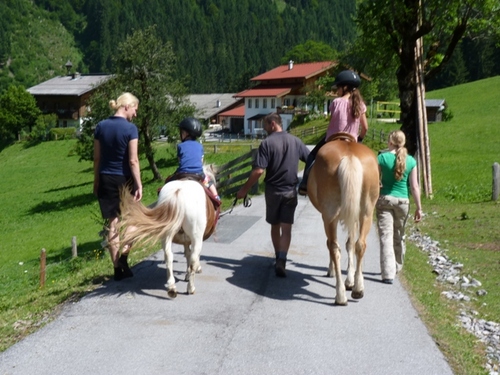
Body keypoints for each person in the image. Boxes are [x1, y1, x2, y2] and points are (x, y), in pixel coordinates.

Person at [236, 113, 310, 277]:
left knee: (275, 226)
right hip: (290, 190)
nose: (264, 129)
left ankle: (278, 257)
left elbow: (259, 170)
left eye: (265, 126)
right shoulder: (296, 141)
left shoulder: (267, 143)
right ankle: (282, 260)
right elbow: (311, 160)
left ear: (273, 124)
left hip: (273, 191)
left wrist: (244, 190)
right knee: (287, 228)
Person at [93, 92, 142, 281]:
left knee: (112, 224)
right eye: (135, 110)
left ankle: (116, 269)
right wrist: (138, 184)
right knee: (134, 221)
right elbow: (133, 160)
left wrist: (96, 181)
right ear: (127, 106)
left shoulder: (100, 127)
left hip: (105, 177)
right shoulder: (131, 129)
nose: (135, 115)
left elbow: (97, 158)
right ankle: (124, 257)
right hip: (124, 180)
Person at [298, 69, 368, 195]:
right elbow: (365, 128)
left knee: (311, 156)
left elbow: (333, 122)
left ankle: (304, 183)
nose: (337, 91)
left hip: (333, 139)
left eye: (338, 88)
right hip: (352, 139)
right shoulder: (360, 104)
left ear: (345, 87)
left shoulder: (336, 102)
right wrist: (360, 139)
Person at [376, 130, 423, 284]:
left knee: (386, 236)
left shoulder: (381, 158)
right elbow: (415, 187)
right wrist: (419, 207)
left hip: (385, 200)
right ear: (403, 142)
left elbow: (376, 181)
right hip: (403, 202)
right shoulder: (411, 161)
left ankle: (388, 273)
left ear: (390, 142)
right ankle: (397, 266)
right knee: (399, 234)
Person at [164, 117, 219, 199]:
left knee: (167, 183)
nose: (181, 134)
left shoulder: (180, 146)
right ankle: (216, 197)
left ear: (186, 133)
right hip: (198, 174)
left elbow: (180, 161)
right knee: (209, 183)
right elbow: (200, 162)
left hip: (182, 173)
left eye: (182, 132)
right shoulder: (200, 146)